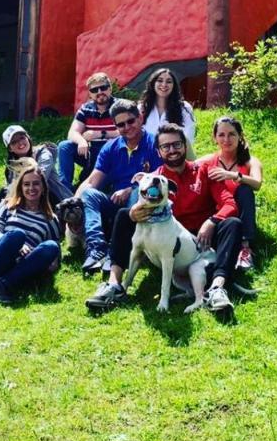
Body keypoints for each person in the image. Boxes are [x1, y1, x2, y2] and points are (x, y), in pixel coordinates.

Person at [85, 122, 242, 313]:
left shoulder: (204, 171)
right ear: (159, 152)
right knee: (124, 215)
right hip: (167, 237)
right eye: (165, 147)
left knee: (232, 223)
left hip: (203, 236)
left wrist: (212, 221)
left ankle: (217, 288)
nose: (172, 150)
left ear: (185, 146)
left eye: (176, 144)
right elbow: (137, 202)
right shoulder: (153, 179)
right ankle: (114, 285)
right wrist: (135, 212)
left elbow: (229, 204)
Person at [75, 99, 162, 274]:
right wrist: (74, 201)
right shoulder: (110, 147)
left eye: (130, 121)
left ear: (140, 118)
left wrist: (130, 189)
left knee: (137, 192)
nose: (127, 127)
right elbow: (93, 181)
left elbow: (159, 180)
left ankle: (119, 251)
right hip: (115, 202)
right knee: (88, 194)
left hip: (142, 204)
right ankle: (96, 248)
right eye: (121, 124)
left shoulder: (155, 144)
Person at [0, 124, 72, 253]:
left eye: (22, 138)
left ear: (28, 138)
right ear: (10, 148)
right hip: (28, 201)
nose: (20, 143)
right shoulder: (11, 167)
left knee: (7, 195)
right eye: (14, 142)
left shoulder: (43, 153)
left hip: (52, 199)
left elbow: (39, 177)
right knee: (2, 199)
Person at [0, 163, 62, 306]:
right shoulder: (8, 205)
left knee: (51, 246)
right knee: (17, 235)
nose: (31, 188)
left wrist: (51, 261)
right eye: (26, 184)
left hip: (22, 265)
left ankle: (3, 284)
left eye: (36, 184)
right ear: (21, 187)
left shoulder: (50, 219)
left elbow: (55, 250)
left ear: (43, 187)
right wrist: (17, 245)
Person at [198, 115, 263, 274]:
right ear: (214, 138)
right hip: (218, 214)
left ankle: (245, 248)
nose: (226, 139)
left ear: (240, 136)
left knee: (245, 189)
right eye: (221, 135)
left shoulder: (250, 161)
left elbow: (257, 183)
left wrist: (233, 176)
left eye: (231, 134)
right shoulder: (207, 161)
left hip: (240, 212)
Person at [56, 72, 118, 192]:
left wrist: (101, 134)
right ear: (90, 94)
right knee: (64, 146)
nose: (99, 92)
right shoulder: (86, 109)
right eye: (94, 90)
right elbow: (72, 133)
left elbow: (130, 131)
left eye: (103, 87)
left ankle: (97, 186)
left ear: (110, 89)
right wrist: (81, 141)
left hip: (113, 152)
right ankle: (64, 190)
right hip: (91, 151)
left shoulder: (119, 107)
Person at [138, 68, 196, 154]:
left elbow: (188, 137)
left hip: (175, 155)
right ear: (153, 83)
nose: (164, 84)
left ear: (174, 86)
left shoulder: (184, 108)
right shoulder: (142, 108)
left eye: (169, 82)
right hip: (147, 157)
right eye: (160, 80)